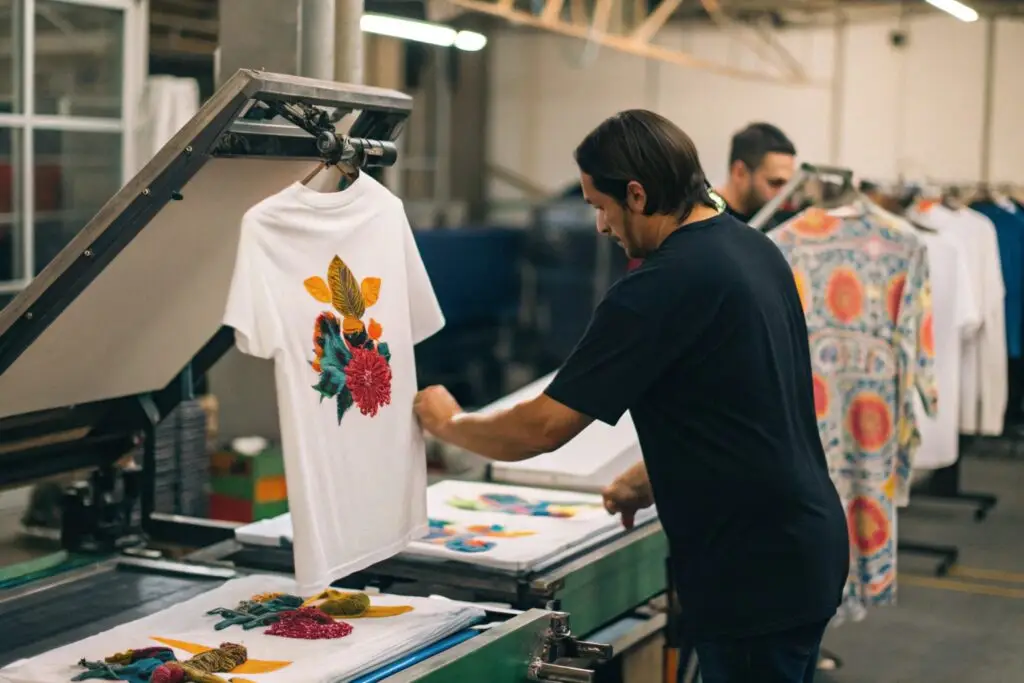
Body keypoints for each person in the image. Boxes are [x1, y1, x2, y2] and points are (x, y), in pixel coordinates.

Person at [413, 110, 849, 683]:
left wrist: (448, 423)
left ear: (637, 195)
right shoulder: (750, 248)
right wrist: (648, 477)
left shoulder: (661, 285)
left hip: (752, 570)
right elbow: (748, 398)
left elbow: (542, 427)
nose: (599, 225)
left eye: (600, 205)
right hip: (801, 545)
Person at [717, 122, 797, 226]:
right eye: (775, 183)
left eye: (788, 185)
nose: (784, 196)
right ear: (739, 173)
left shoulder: (772, 221)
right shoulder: (704, 221)